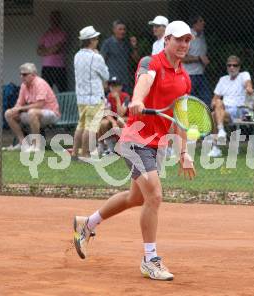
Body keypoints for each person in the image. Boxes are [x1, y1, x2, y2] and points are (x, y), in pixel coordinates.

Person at [73, 21, 195, 281]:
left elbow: (180, 119)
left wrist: (184, 152)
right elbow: (144, 81)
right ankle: (150, 260)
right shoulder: (151, 61)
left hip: (157, 144)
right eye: (178, 40)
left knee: (136, 199)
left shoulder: (184, 78)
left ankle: (88, 223)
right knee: (155, 196)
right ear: (167, 41)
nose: (183, 45)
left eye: (187, 40)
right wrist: (138, 99)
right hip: (135, 140)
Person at [72, 26, 109, 160]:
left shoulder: (77, 55)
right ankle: (85, 153)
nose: (97, 40)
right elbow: (106, 75)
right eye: (96, 38)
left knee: (81, 125)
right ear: (91, 40)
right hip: (94, 97)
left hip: (81, 97)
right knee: (91, 126)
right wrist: (98, 55)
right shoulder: (96, 57)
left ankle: (75, 153)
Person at [4, 63, 60, 152]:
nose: (22, 77)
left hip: (51, 113)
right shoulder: (23, 85)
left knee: (32, 112)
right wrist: (14, 110)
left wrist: (21, 109)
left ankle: (36, 146)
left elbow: (39, 105)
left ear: (33, 75)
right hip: (34, 114)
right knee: (8, 113)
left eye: (25, 74)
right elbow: (19, 103)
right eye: (21, 74)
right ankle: (23, 143)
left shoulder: (40, 83)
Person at [207, 55, 253, 157]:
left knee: (214, 114)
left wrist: (248, 88)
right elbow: (214, 99)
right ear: (227, 67)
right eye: (229, 65)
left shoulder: (244, 75)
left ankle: (216, 147)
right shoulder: (223, 79)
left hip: (239, 110)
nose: (232, 67)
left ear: (239, 67)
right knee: (215, 109)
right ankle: (221, 131)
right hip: (224, 110)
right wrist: (214, 103)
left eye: (235, 65)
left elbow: (248, 85)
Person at [101, 20, 139, 93]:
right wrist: (104, 80)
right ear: (114, 30)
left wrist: (134, 46)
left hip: (125, 79)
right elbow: (101, 61)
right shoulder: (107, 43)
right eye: (120, 29)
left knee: (125, 102)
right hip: (112, 80)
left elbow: (136, 60)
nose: (122, 31)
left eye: (124, 29)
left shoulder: (127, 43)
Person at [183, 15, 211, 107]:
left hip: (200, 74)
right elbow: (182, 58)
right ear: (194, 24)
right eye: (200, 21)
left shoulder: (202, 35)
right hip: (189, 75)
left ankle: (203, 120)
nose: (203, 23)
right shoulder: (188, 37)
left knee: (206, 99)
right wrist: (199, 58)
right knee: (189, 101)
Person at [97, 76, 130, 155]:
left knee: (120, 120)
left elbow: (121, 114)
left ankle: (125, 147)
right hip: (115, 119)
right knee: (103, 123)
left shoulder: (126, 97)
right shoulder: (108, 96)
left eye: (115, 86)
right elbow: (106, 112)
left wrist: (117, 98)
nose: (113, 88)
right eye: (111, 86)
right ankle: (110, 148)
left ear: (121, 87)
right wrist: (112, 122)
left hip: (126, 119)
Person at [36, 11, 68, 92]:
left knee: (62, 90)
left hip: (59, 67)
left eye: (56, 18)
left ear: (59, 20)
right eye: (52, 18)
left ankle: (63, 105)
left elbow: (57, 48)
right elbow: (39, 51)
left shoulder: (62, 33)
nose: (54, 20)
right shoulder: (46, 34)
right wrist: (51, 50)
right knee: (45, 91)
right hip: (47, 67)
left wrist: (45, 51)